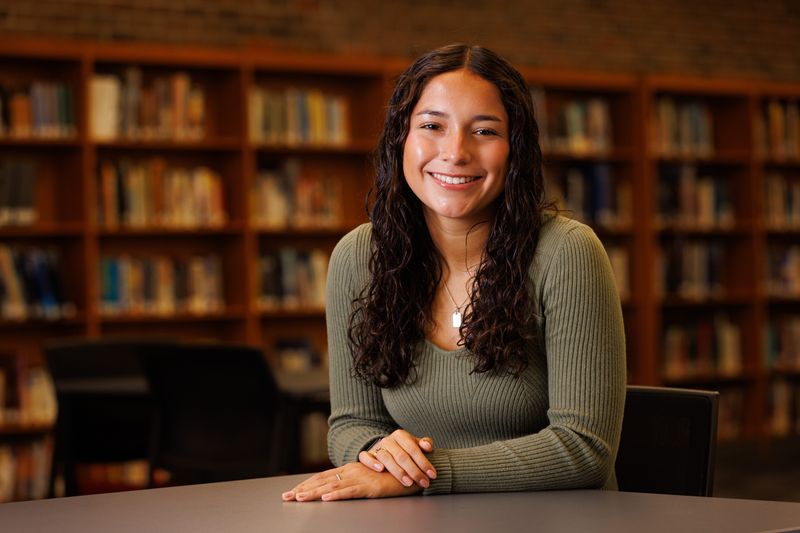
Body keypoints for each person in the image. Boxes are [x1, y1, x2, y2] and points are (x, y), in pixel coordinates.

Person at [282, 43, 626, 502]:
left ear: (515, 149)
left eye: (483, 131)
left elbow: (584, 448)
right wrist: (378, 451)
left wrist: (425, 474)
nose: (455, 152)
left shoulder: (567, 253)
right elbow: (352, 425)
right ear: (400, 138)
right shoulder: (359, 257)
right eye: (432, 126)